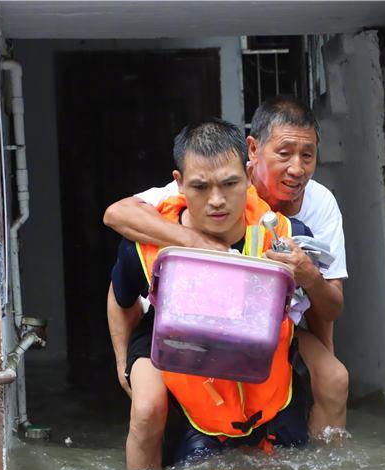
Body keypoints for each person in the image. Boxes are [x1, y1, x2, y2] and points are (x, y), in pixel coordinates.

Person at [104, 96, 349, 440]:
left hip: (271, 323)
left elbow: (329, 304)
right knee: (149, 409)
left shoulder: (311, 212)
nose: (296, 169)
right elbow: (116, 216)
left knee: (333, 377)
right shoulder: (197, 185)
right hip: (177, 319)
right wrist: (197, 243)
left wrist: (318, 360)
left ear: (244, 179)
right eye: (284, 153)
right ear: (253, 155)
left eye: (307, 155)